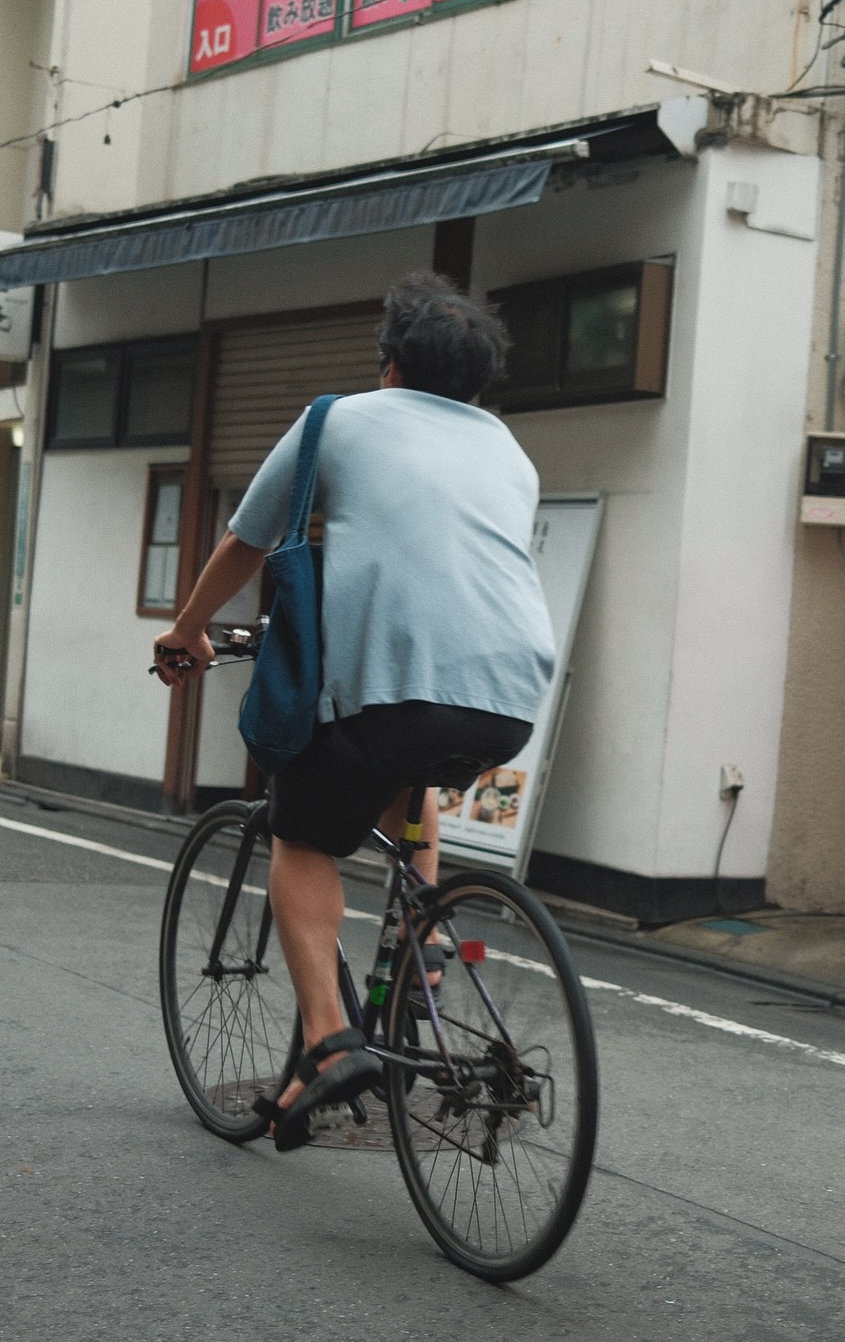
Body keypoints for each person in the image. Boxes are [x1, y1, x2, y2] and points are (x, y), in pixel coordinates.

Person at [153, 272, 555, 1151]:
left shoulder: (339, 421)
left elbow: (247, 538)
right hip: (510, 693)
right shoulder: (509, 453)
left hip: (391, 683)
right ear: (479, 382)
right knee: (405, 776)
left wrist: (187, 630)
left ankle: (333, 1039)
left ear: (390, 365)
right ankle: (421, 953)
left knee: (300, 836)